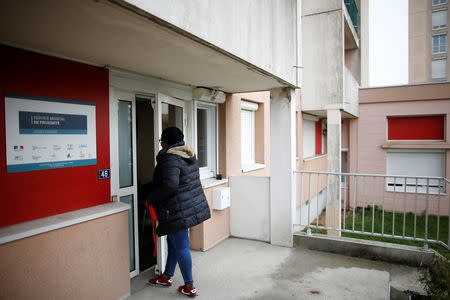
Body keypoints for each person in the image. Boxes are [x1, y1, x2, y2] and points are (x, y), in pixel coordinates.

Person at [147, 126, 211, 297]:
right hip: (186, 206)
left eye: (161, 140)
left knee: (181, 246)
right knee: (173, 242)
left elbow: (170, 185)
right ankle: (167, 276)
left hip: (176, 209)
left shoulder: (170, 159)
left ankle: (189, 286)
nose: (160, 143)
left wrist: (152, 198)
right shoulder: (188, 154)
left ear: (166, 142)